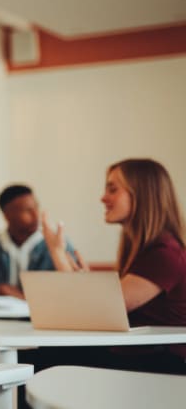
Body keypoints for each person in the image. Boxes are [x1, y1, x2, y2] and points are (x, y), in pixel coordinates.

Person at [41, 158, 186, 373]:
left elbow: (97, 312)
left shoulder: (164, 255)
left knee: (39, 362)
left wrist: (58, 253)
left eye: (113, 189)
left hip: (160, 364)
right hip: (136, 355)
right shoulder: (145, 251)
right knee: (41, 358)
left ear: (142, 194)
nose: (103, 197)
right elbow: (97, 308)